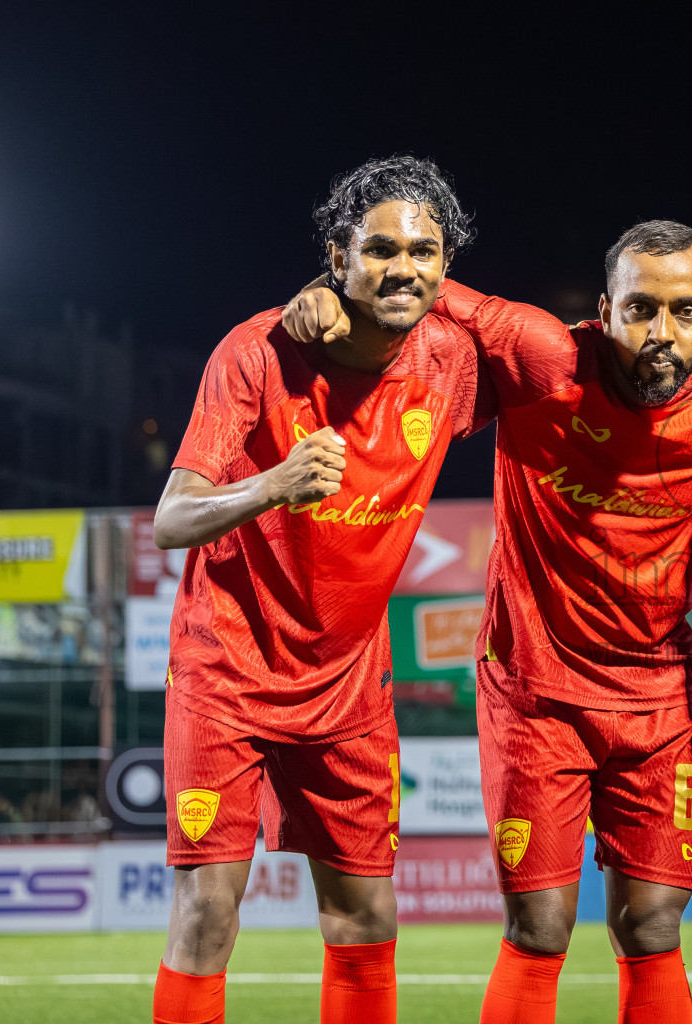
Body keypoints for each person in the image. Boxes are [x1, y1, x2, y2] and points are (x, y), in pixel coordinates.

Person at [279, 222, 692, 1024]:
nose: (662, 333)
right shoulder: (542, 361)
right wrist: (329, 295)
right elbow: (418, 293)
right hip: (535, 696)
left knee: (652, 926)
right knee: (541, 928)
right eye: (641, 308)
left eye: (686, 311)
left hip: (656, 701)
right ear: (603, 310)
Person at [151, 155, 498, 1024]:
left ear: (447, 265)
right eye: (379, 249)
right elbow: (171, 516)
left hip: (346, 691)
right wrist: (272, 484)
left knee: (367, 917)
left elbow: (575, 362)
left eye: (424, 251)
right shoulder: (257, 351)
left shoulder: (450, 360)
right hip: (227, 672)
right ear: (338, 253)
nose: (403, 267)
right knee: (206, 915)